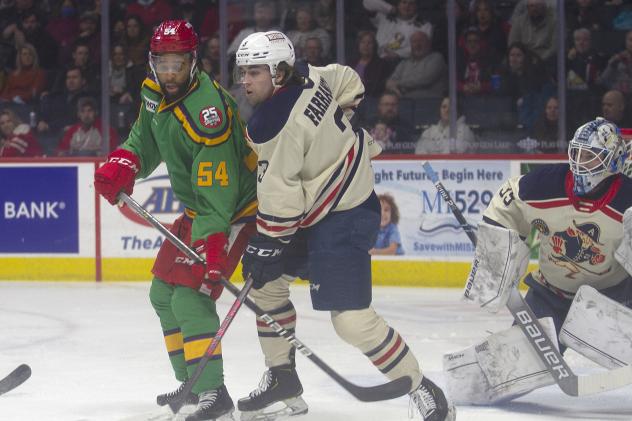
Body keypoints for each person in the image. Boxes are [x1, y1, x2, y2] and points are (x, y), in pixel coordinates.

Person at [232, 30, 455, 421]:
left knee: (351, 321)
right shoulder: (308, 75)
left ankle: (422, 386)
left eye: (254, 72)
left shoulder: (270, 125)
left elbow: (280, 195)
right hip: (318, 212)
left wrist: (267, 243)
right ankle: (282, 376)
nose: (244, 81)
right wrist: (344, 125)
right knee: (266, 287)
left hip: (347, 215)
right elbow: (349, 80)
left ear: (278, 72)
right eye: (242, 72)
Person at [93, 20, 258, 421]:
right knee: (161, 294)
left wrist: (214, 243)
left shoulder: (209, 112)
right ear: (152, 62)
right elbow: (145, 139)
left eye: (177, 65)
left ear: (193, 62)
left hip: (232, 212)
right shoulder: (154, 93)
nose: (169, 75)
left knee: (191, 296)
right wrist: (124, 163)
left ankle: (214, 395)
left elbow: (218, 188)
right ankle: (193, 385)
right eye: (162, 65)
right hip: (198, 208)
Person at [450, 117, 632, 405]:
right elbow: (505, 203)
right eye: (578, 153)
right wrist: (496, 258)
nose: (581, 163)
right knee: (499, 380)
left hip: (612, 299)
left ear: (612, 163)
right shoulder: (545, 185)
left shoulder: (627, 201)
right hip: (551, 296)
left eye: (591, 157)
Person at [385, 30, 447, 99]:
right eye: (414, 42)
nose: (417, 45)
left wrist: (398, 84)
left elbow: (425, 80)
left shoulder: (436, 58)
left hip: (429, 102)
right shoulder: (405, 62)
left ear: (429, 43)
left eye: (421, 41)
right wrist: (390, 84)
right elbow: (392, 80)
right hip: (405, 102)